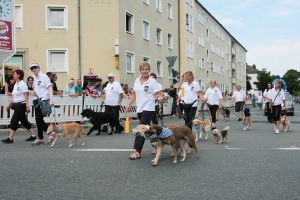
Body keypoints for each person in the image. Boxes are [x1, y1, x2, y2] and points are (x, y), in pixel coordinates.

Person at [125, 62, 162, 159]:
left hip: (149, 108)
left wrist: (159, 97)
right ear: (140, 70)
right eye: (143, 69)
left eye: (146, 69)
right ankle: (157, 145)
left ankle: (137, 152)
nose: (144, 71)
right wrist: (129, 104)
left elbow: (156, 93)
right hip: (140, 108)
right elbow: (134, 94)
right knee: (148, 129)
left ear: (149, 70)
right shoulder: (137, 80)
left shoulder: (152, 81)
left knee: (140, 128)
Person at [1, 70, 36, 143]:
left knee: (14, 120)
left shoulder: (23, 84)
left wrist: (27, 106)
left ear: (19, 75)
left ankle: (10, 138)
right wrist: (9, 104)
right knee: (24, 121)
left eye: (14, 74)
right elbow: (14, 96)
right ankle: (33, 136)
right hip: (16, 105)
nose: (13, 75)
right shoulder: (16, 84)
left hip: (21, 104)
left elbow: (26, 96)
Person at [29, 63, 54, 146]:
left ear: (39, 68)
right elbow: (36, 89)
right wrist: (32, 92)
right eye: (32, 68)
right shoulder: (34, 79)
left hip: (43, 99)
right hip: (37, 100)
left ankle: (50, 133)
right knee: (38, 119)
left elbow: (49, 87)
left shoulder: (44, 76)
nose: (33, 69)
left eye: (35, 67)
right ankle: (40, 138)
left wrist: (51, 99)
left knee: (39, 119)